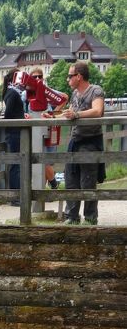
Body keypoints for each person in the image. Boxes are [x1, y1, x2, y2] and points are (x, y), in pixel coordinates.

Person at [58, 60, 105, 225]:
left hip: (90, 141)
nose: (67, 79)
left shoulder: (96, 91)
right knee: (71, 180)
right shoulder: (75, 94)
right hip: (75, 140)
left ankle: (91, 218)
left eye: (70, 76)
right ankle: (71, 217)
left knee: (88, 181)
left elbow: (97, 111)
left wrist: (77, 115)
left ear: (79, 76)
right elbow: (71, 113)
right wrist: (55, 116)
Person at [25, 67, 66, 189]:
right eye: (34, 77)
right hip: (34, 131)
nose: (37, 79)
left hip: (49, 129)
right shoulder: (25, 94)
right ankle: (53, 184)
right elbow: (22, 109)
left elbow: (64, 97)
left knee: (47, 160)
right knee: (39, 161)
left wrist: (54, 113)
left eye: (40, 76)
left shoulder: (47, 91)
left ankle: (43, 191)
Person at [2, 69, 24, 203]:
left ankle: (17, 195)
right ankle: (15, 197)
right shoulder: (12, 93)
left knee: (17, 163)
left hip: (15, 131)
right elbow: (9, 113)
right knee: (16, 164)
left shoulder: (11, 92)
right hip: (14, 132)